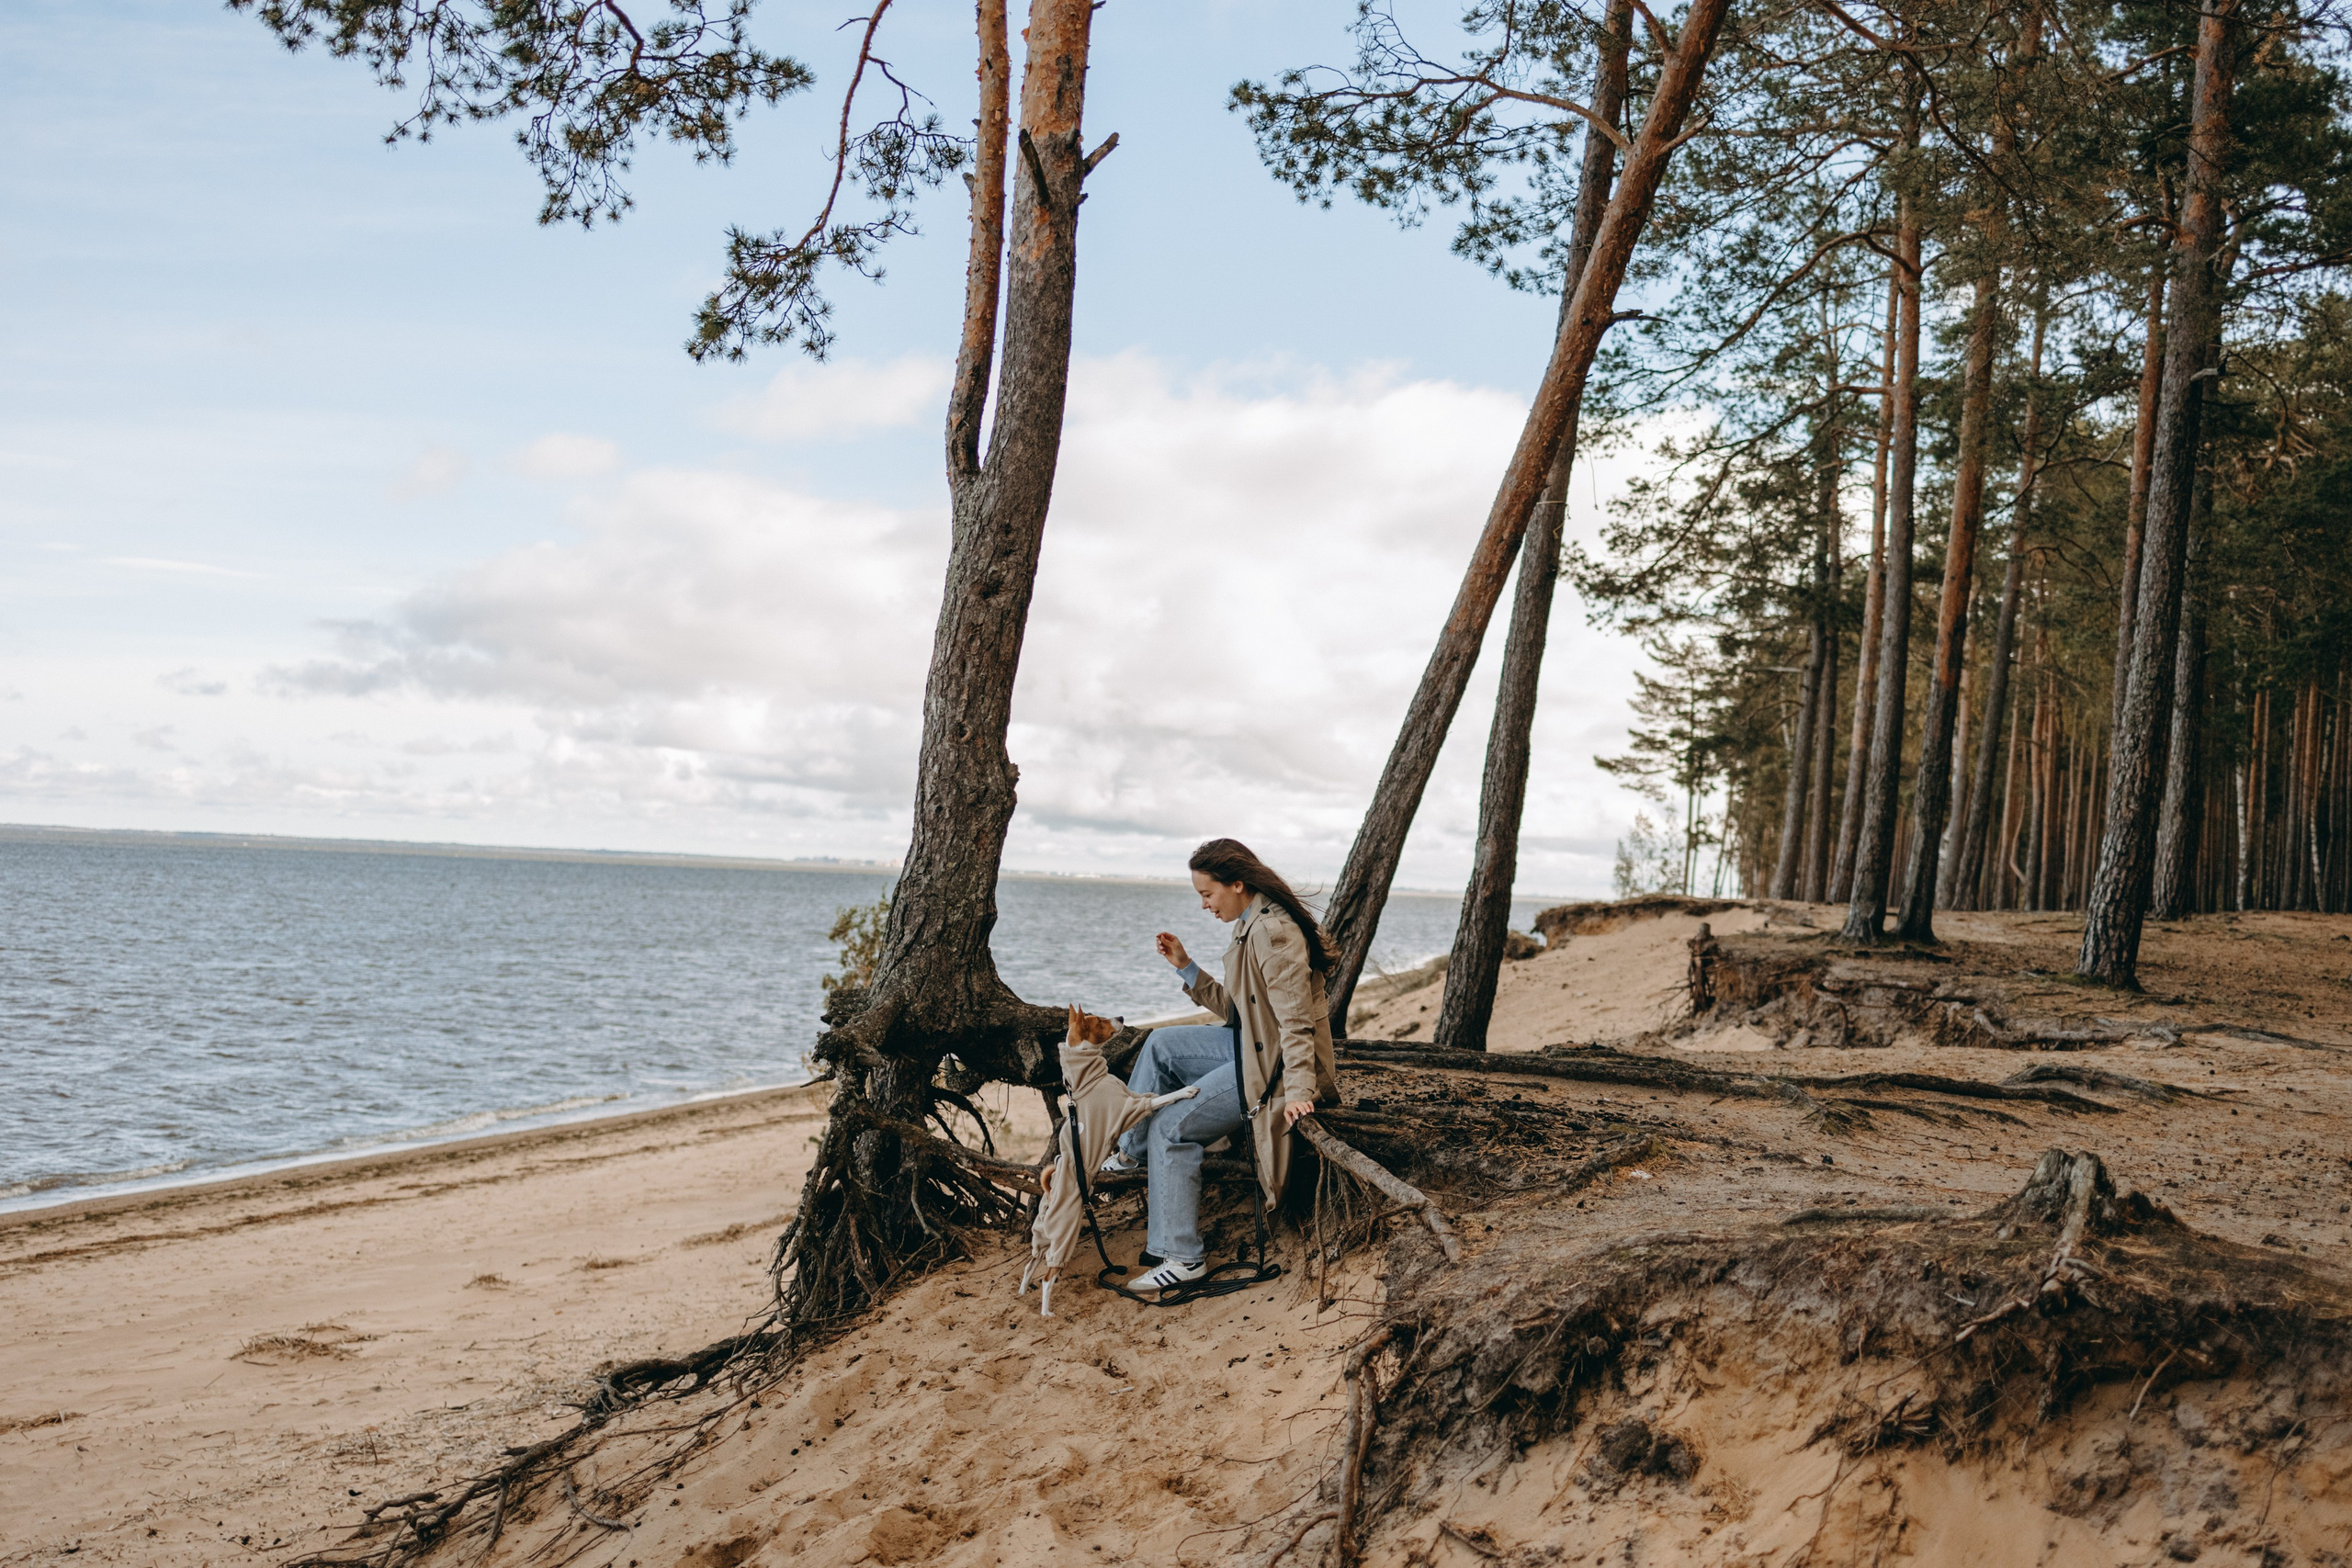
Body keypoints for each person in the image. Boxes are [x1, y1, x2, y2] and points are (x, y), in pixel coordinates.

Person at [1105, 838, 1340, 1292]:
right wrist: (1185, 966)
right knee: (1160, 1044)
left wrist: (1299, 1091)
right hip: (1251, 1043)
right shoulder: (1250, 921)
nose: (1204, 905)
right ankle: (1129, 1154)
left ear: (1237, 884)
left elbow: (1296, 1024)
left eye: (1207, 894)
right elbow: (1238, 1010)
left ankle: (1183, 1258)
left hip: (1270, 1066)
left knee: (1171, 1127)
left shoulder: (1273, 933)